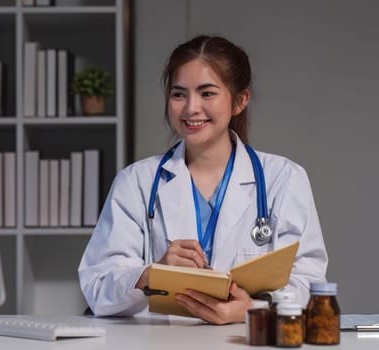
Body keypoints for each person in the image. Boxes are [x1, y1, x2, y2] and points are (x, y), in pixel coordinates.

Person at [78, 34, 327, 325]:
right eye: (178, 94)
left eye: (207, 93)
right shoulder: (136, 182)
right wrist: (152, 274)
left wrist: (254, 309)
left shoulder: (283, 179)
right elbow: (97, 286)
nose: (190, 108)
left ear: (240, 101)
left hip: (245, 341)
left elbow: (308, 281)